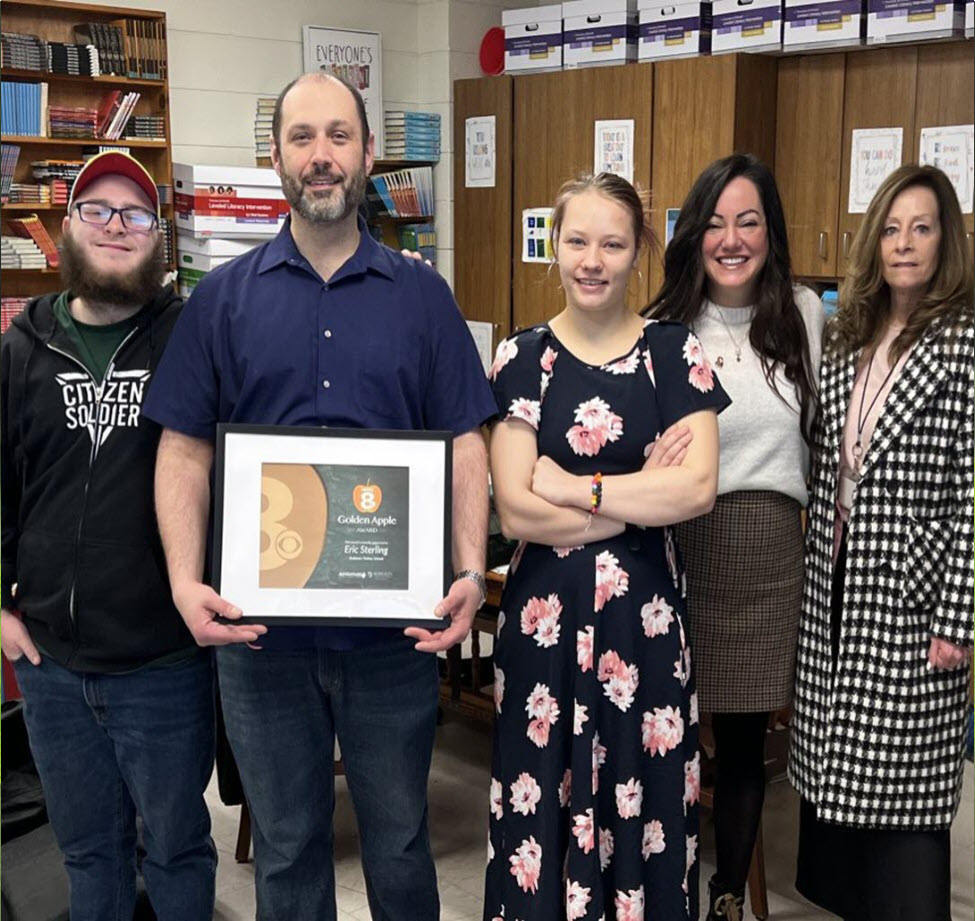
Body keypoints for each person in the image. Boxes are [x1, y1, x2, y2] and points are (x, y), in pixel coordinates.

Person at [142, 72, 496, 921]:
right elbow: (182, 450)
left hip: (393, 638)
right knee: (288, 845)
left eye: (339, 135)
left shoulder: (423, 297)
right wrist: (185, 581)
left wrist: (469, 570)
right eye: (302, 137)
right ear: (276, 156)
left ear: (369, 152)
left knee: (399, 841)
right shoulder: (219, 300)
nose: (321, 155)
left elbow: (464, 441)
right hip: (261, 639)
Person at [484, 171, 729, 921]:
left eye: (613, 244)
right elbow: (517, 510)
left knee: (644, 807)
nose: (592, 261)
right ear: (555, 246)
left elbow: (695, 489)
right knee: (540, 808)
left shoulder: (673, 353)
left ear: (638, 252)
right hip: (542, 635)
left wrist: (574, 486)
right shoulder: (520, 358)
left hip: (643, 634)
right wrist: (635, 496)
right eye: (578, 241)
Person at [0, 151, 216, 921]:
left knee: (177, 850)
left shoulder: (190, 340)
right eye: (97, 210)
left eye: (135, 214)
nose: (115, 226)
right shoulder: (22, 346)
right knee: (89, 853)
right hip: (52, 666)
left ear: (158, 237)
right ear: (68, 228)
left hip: (164, 666)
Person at [789, 163, 973, 920]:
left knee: (906, 778)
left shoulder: (964, 345)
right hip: (835, 576)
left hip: (914, 589)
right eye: (891, 228)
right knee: (843, 761)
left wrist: (956, 618)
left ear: (945, 240)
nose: (904, 243)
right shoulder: (848, 335)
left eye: (921, 228)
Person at [645, 153, 823, 920]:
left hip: (771, 555)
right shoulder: (663, 326)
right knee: (669, 736)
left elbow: (824, 437)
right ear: (694, 234)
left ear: (769, 232)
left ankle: (725, 899)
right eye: (714, 223)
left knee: (746, 746)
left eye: (747, 221)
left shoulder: (804, 314)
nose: (730, 239)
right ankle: (665, 888)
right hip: (681, 548)